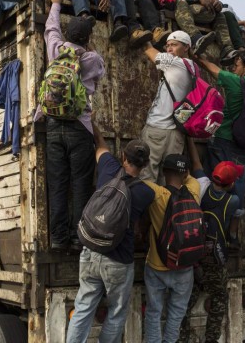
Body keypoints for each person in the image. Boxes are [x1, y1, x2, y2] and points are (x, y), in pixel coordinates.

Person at [66, 123, 154, 343]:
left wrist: (94, 124)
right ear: (146, 165)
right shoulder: (146, 193)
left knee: (83, 307)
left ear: (123, 157)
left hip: (90, 250)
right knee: (116, 312)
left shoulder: (108, 169)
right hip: (118, 259)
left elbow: (101, 146)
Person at [36, 0, 105, 252]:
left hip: (53, 125)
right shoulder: (92, 59)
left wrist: (55, 3)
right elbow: (99, 77)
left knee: (57, 184)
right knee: (80, 184)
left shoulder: (56, 49)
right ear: (87, 39)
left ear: (68, 33)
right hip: (80, 127)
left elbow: (50, 28)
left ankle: (58, 238)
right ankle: (78, 239)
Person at [182, 139, 244, 343]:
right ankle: (210, 339)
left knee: (185, 301)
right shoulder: (233, 201)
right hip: (215, 258)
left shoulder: (201, 186)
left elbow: (196, 162)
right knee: (219, 298)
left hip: (194, 255)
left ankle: (182, 337)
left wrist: (190, 139)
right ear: (232, 183)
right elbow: (233, 221)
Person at [195, 49, 245, 216]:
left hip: (224, 139)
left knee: (213, 184)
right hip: (244, 143)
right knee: (238, 185)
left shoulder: (236, 81)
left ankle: (209, 222)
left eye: (236, 65)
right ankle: (232, 233)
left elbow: (212, 69)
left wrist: (198, 57)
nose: (234, 68)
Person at [142, 153, 201, 343]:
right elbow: (191, 177)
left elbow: (138, 178)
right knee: (176, 315)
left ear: (165, 172)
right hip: (184, 266)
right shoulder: (194, 191)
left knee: (153, 313)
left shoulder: (157, 195)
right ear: (184, 174)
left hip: (157, 265)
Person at [138, 31, 198, 184]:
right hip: (177, 133)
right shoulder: (193, 68)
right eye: (168, 45)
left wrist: (143, 37)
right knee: (169, 180)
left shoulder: (175, 62)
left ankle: (150, 208)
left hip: (157, 128)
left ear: (186, 47)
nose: (169, 49)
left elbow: (149, 50)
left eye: (174, 45)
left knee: (147, 177)